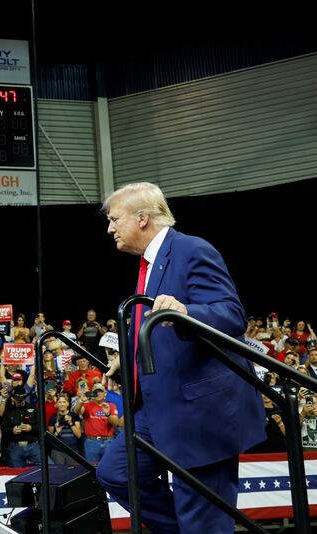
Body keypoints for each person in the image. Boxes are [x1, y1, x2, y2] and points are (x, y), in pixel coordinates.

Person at [96, 182, 265, 533]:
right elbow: (154, 331)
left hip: (200, 411)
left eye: (114, 219)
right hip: (156, 407)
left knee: (202, 513)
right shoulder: (149, 264)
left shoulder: (191, 250)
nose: (110, 228)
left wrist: (187, 311)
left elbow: (232, 314)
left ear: (142, 218)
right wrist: (127, 362)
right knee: (115, 472)